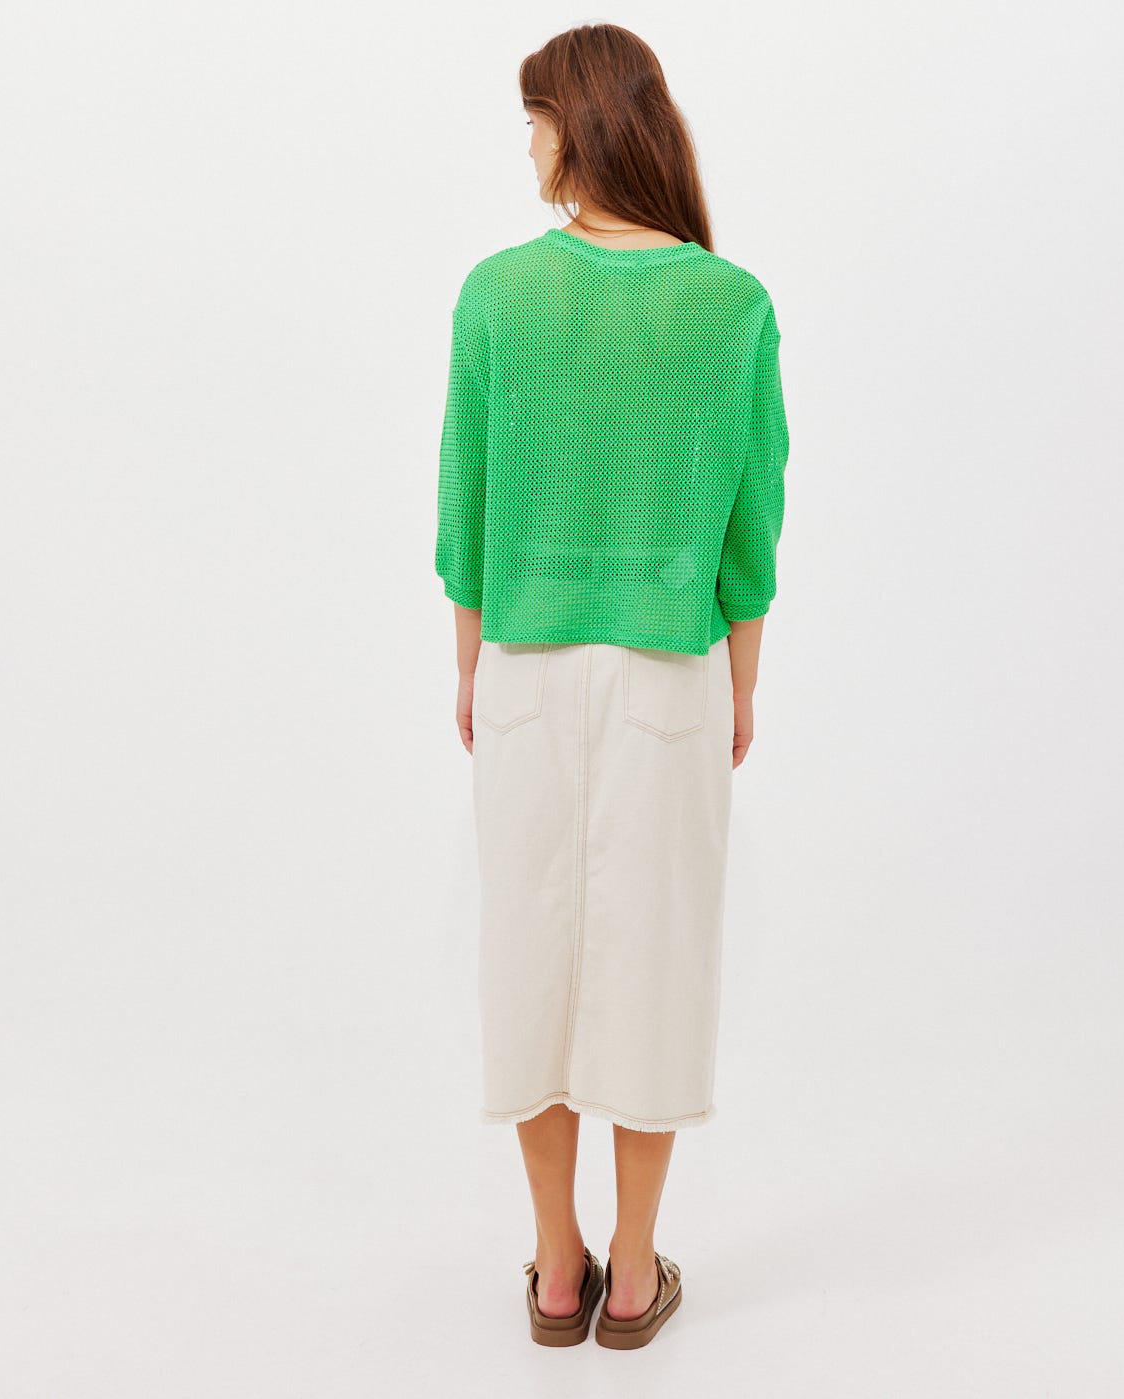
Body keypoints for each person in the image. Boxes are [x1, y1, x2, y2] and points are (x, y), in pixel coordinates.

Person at [434, 23, 789, 1350]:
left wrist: (469, 664)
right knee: (653, 969)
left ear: (577, 127)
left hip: (525, 666)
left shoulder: (497, 295)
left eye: (535, 120)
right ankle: (633, 1273)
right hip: (666, 677)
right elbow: (751, 528)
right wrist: (741, 687)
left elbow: (465, 502)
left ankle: (555, 1268)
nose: (528, 146)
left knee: (532, 963)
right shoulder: (731, 304)